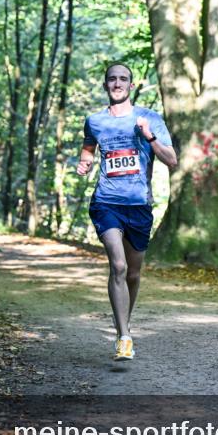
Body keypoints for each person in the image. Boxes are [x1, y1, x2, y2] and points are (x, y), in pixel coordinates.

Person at [76, 63, 177, 361]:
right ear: (106, 85)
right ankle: (124, 336)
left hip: (139, 206)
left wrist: (149, 136)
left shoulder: (149, 118)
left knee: (133, 273)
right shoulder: (94, 121)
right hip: (106, 202)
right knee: (118, 267)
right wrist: (85, 163)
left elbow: (171, 160)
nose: (117, 83)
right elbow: (88, 148)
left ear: (131, 85)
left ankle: (124, 322)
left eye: (123, 79)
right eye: (112, 79)